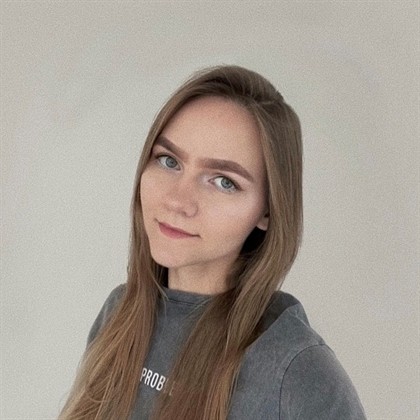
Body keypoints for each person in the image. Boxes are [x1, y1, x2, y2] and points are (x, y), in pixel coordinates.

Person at [59, 65, 367, 419]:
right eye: (169, 161)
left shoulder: (298, 371)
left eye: (223, 181)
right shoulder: (120, 314)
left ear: (268, 210)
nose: (178, 200)